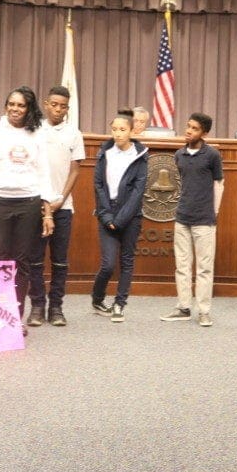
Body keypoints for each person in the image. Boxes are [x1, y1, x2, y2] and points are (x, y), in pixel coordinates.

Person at [0, 86, 55, 333]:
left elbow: (44, 174)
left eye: (21, 105)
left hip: (29, 204)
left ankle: (15, 317)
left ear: (28, 109)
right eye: (12, 104)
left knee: (22, 262)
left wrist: (47, 212)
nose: (15, 109)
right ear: (5, 105)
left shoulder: (37, 133)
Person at [27, 85, 85, 328]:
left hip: (63, 206)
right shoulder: (32, 130)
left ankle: (57, 307)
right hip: (36, 205)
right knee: (35, 259)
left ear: (67, 109)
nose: (58, 109)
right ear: (45, 103)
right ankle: (38, 306)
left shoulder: (74, 133)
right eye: (54, 104)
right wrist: (44, 200)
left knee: (60, 260)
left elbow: (75, 169)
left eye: (63, 106)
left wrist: (60, 198)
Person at [161, 112, 224, 327]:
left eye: (195, 128)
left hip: (204, 220)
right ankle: (183, 307)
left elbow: (218, 185)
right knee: (182, 266)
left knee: (204, 268)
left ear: (204, 133)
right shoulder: (179, 155)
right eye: (188, 126)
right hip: (182, 217)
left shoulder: (212, 155)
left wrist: (213, 214)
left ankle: (204, 311)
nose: (189, 131)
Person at [91, 109, 149, 322]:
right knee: (107, 264)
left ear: (132, 131)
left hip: (130, 216)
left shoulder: (140, 155)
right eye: (114, 129)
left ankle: (119, 304)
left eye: (123, 129)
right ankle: (97, 299)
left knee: (126, 261)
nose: (118, 134)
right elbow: (98, 185)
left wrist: (121, 219)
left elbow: (138, 190)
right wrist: (107, 216)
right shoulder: (104, 153)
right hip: (107, 212)